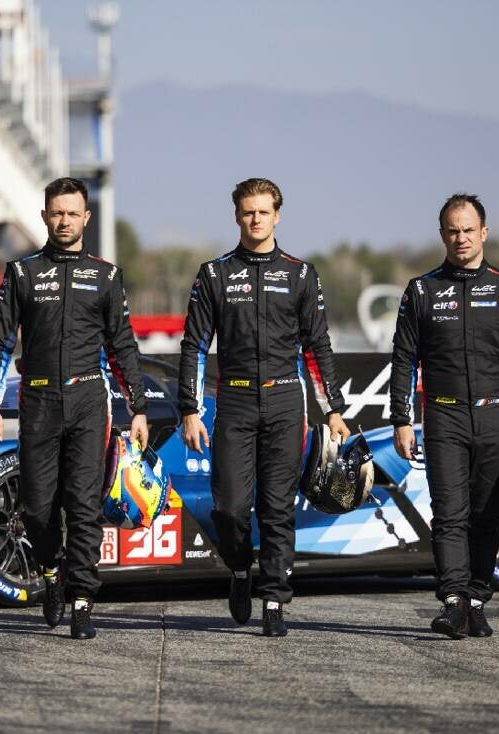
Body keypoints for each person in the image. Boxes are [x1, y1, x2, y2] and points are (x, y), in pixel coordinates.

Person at [179, 178, 350, 637]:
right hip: (232, 400)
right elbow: (194, 344)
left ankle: (274, 598)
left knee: (277, 507)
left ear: (278, 215)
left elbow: (317, 346)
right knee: (231, 508)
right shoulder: (213, 274)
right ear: (237, 216)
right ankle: (239, 568)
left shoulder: (300, 273)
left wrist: (332, 408)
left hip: (284, 402)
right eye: (247, 212)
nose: (255, 219)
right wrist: (190, 409)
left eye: (263, 211)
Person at [0, 177, 149, 640]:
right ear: (44, 216)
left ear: (86, 218)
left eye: (73, 213)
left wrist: (137, 408)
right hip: (36, 401)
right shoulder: (22, 272)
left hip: (90, 401)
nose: (65, 220)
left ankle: (82, 601)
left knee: (83, 504)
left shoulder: (106, 276)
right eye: (57, 213)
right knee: (36, 509)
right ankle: (52, 574)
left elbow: (123, 347)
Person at [390, 193, 499, 639]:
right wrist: (402, 420)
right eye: (452, 230)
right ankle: (452, 601)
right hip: (443, 418)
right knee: (448, 513)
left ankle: (477, 600)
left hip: (491, 417)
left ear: (483, 232)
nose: (460, 238)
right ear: (442, 234)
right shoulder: (421, 290)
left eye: (468, 230)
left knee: (486, 515)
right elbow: (405, 360)